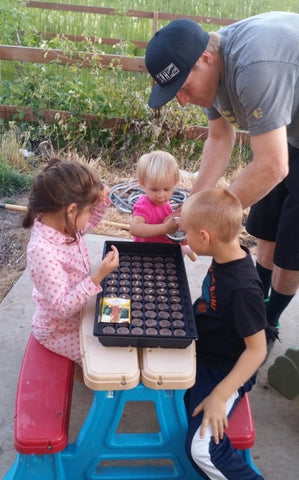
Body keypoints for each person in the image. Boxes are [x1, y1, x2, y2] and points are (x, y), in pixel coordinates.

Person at [145, 13, 299, 352]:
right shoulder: (209, 64)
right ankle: (251, 315)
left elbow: (272, 165)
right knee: (267, 232)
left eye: (183, 88)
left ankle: (266, 328)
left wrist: (208, 217)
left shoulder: (253, 68)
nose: (182, 100)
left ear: (205, 59)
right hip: (289, 134)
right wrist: (194, 204)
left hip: (283, 148)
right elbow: (219, 138)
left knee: (291, 253)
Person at [179, 187, 267, 480]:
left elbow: (257, 350)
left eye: (188, 234)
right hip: (208, 346)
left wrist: (220, 394)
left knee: (202, 449)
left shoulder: (242, 289)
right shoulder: (227, 250)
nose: (185, 238)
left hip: (224, 369)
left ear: (205, 237)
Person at [23, 158, 119, 367]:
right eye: (90, 210)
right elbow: (62, 307)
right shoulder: (42, 252)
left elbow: (88, 223)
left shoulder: (63, 223)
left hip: (80, 309)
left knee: (121, 328)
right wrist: (97, 276)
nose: (92, 216)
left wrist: (101, 201)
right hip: (59, 329)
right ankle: (83, 371)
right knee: (106, 358)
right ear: (71, 210)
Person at [129, 150, 196, 260]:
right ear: (142, 183)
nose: (160, 195)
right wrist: (165, 228)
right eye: (154, 189)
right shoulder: (144, 205)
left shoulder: (165, 204)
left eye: (166, 189)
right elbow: (135, 229)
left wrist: (181, 236)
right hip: (146, 256)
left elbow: (169, 231)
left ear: (175, 183)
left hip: (164, 254)